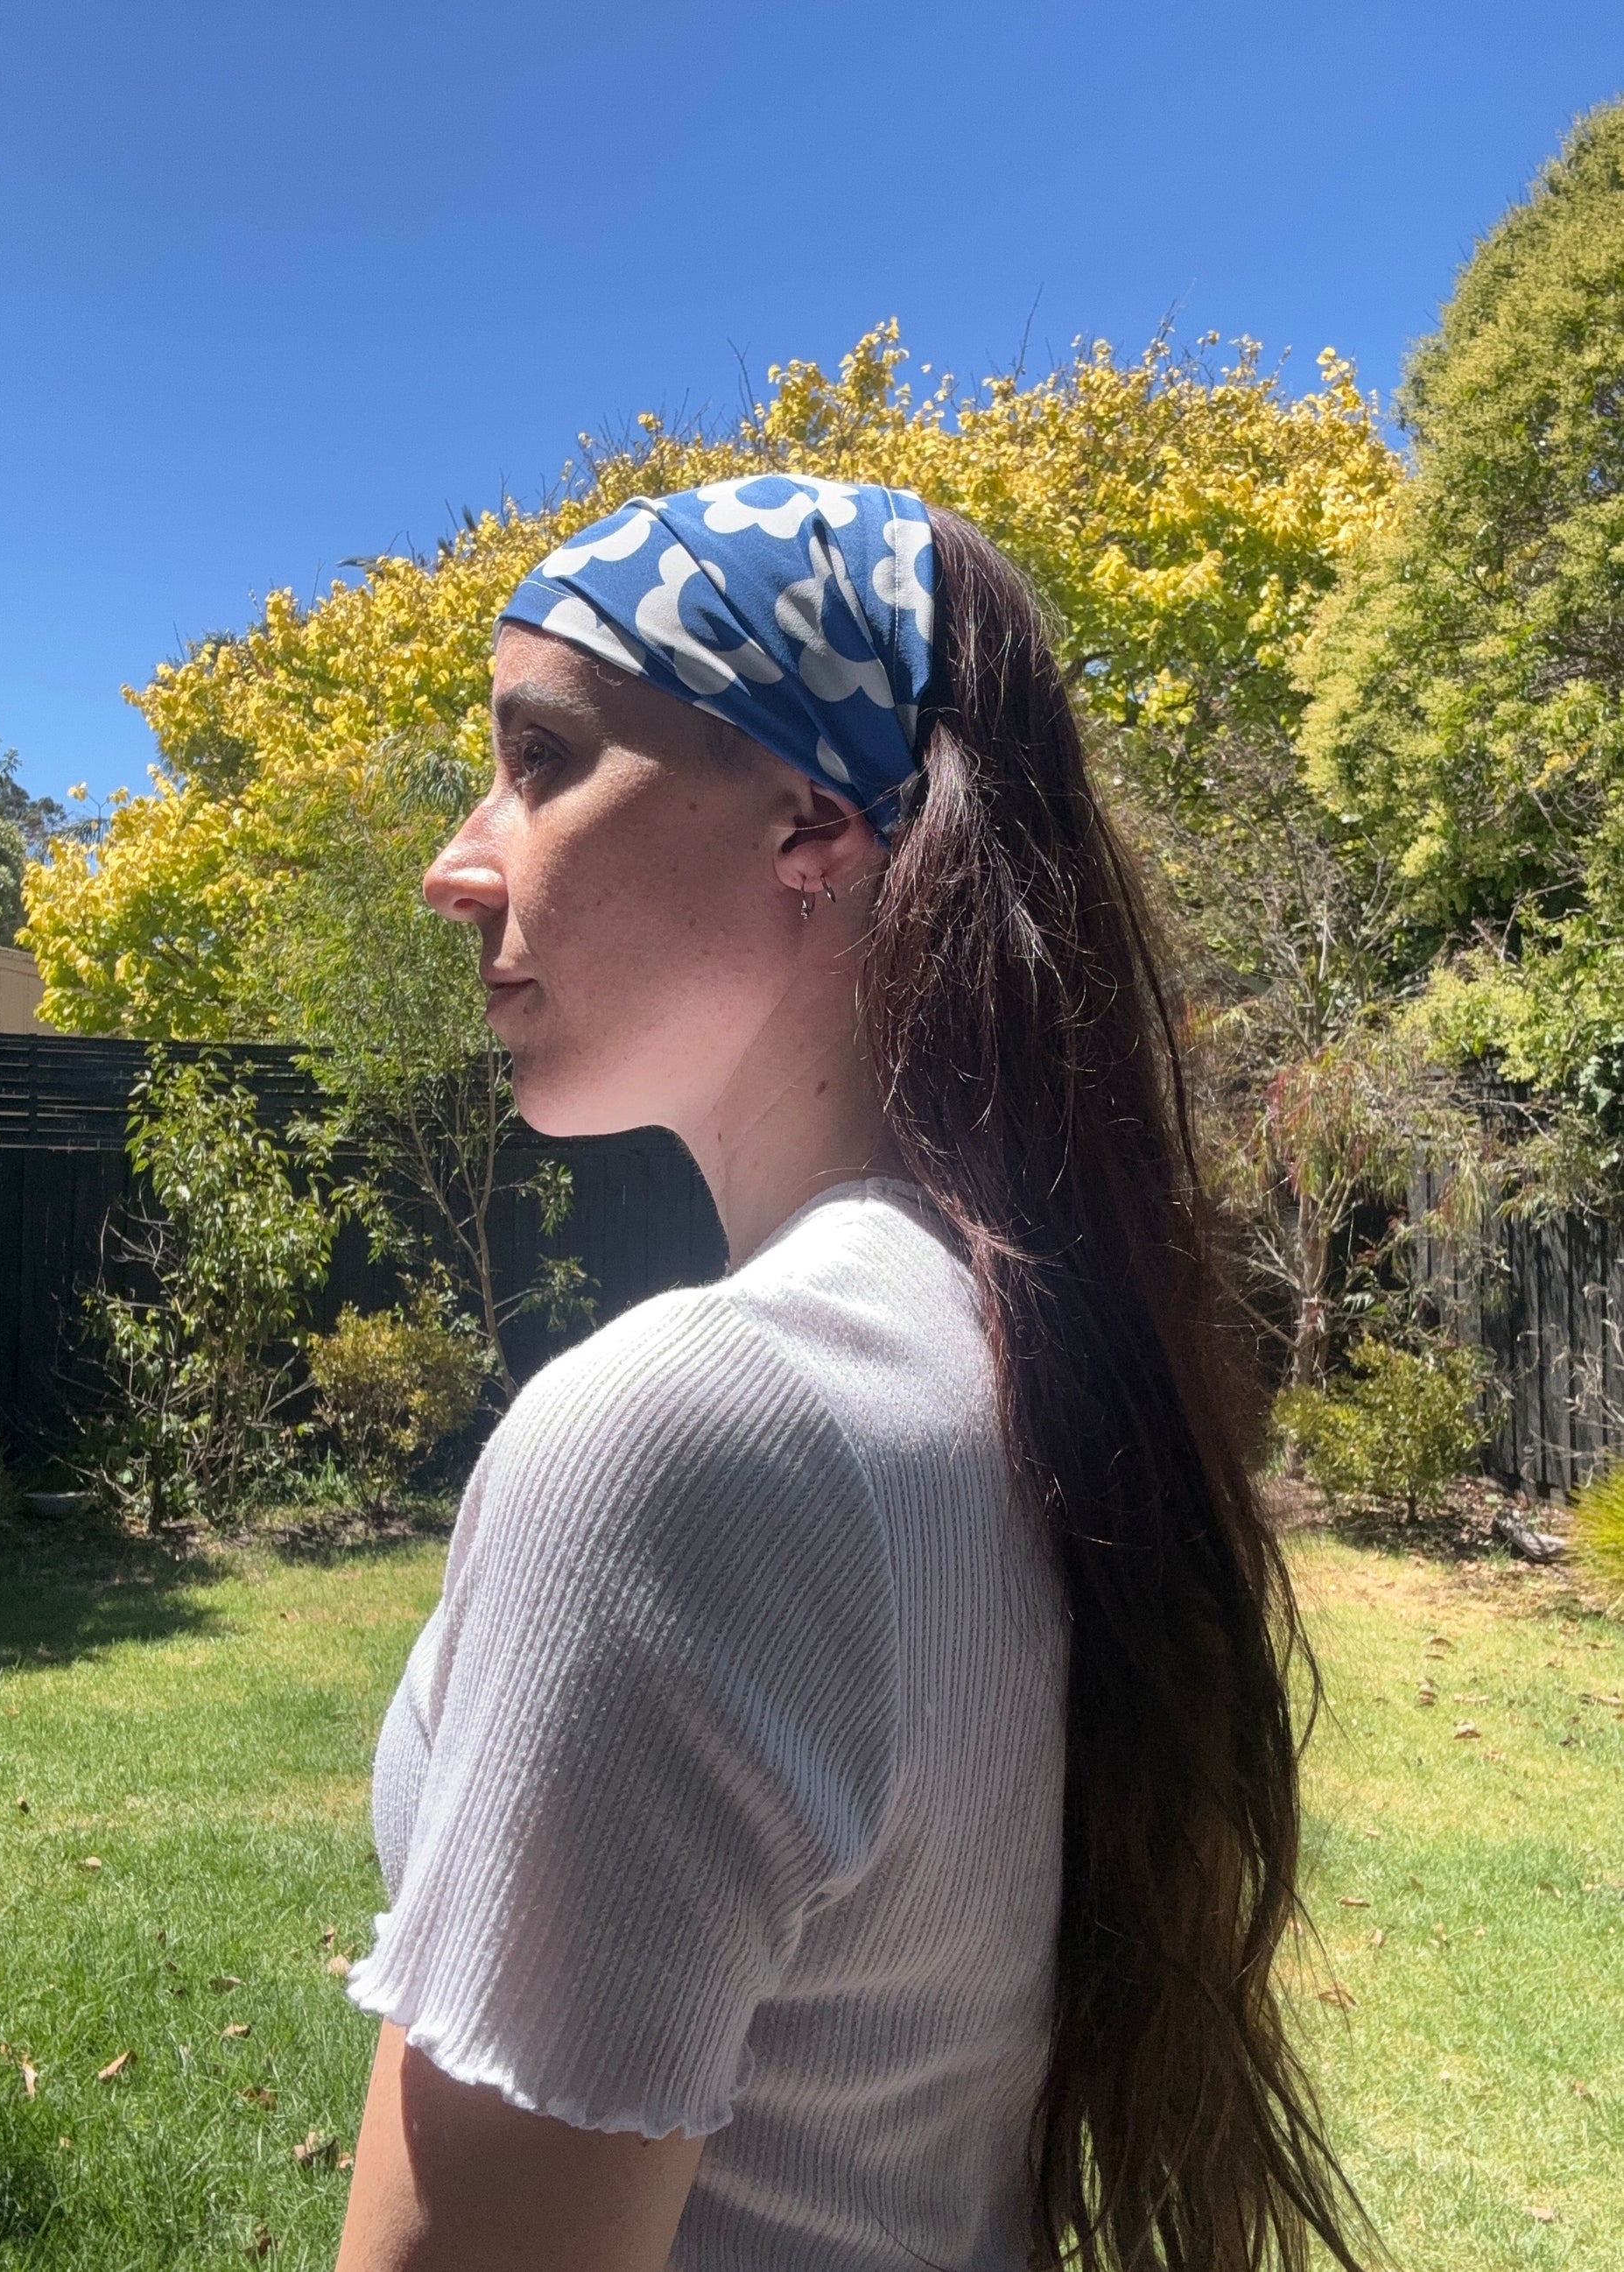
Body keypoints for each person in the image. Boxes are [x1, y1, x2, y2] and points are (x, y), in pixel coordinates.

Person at [334, 477, 1366, 2272]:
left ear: (812, 823)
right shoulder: (1016, 1357)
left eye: (540, 758)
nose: (456, 862)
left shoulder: (685, 1434)